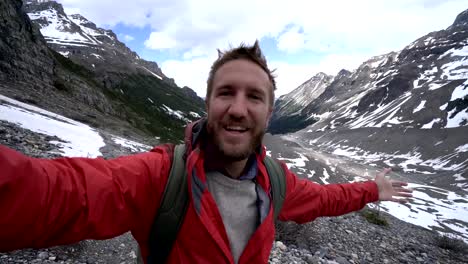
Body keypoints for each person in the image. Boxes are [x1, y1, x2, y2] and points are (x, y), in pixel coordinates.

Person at [0, 41, 412, 264]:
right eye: (225, 93)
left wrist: (372, 191)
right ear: (208, 104)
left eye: (254, 97)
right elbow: (58, 193)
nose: (237, 108)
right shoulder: (161, 176)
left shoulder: (276, 181)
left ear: (269, 114)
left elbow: (325, 198)